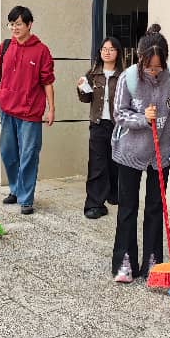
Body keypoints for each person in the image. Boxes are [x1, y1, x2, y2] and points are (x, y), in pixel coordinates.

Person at [111, 24, 170, 283]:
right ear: (140, 59)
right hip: (130, 152)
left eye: (158, 67)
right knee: (128, 207)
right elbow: (118, 113)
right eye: (149, 67)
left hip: (161, 152)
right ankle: (125, 260)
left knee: (156, 206)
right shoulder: (128, 78)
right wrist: (142, 118)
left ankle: (153, 260)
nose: (153, 72)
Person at [0, 6, 55, 215]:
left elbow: (47, 82)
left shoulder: (41, 50)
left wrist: (51, 108)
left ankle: (26, 198)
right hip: (7, 109)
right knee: (7, 151)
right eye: (11, 24)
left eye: (18, 24)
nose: (14, 28)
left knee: (29, 154)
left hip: (30, 112)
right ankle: (15, 189)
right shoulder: (5, 46)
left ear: (29, 25)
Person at [77, 36, 123, 219]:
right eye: (104, 49)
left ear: (117, 52)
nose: (107, 52)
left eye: (111, 49)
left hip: (118, 125)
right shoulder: (93, 74)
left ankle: (113, 194)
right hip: (97, 124)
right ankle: (94, 204)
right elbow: (86, 98)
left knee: (115, 163)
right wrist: (81, 88)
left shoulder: (124, 75)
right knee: (97, 164)